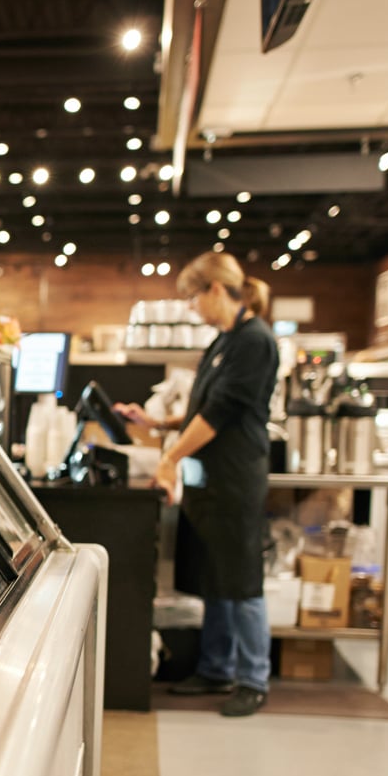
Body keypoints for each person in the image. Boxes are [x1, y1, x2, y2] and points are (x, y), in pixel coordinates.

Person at [115, 252, 279, 717]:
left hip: (236, 478)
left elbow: (221, 414)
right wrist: (159, 422)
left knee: (242, 579)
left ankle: (253, 678)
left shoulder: (254, 341)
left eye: (192, 297)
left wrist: (170, 457)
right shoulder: (222, 343)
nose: (191, 308)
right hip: (210, 479)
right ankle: (216, 667)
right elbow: (198, 413)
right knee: (217, 576)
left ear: (214, 289)